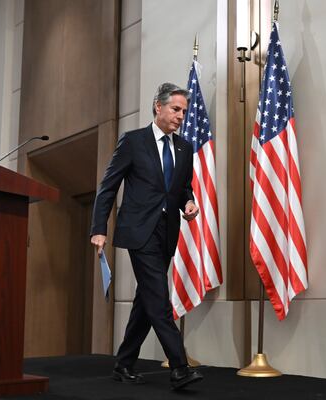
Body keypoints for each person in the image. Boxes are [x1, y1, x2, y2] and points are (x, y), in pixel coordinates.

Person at [90, 82, 203, 390]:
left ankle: (123, 363)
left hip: (167, 233)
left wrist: (189, 202)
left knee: (146, 300)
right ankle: (180, 367)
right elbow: (108, 187)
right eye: (175, 109)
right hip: (139, 231)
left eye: (184, 111)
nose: (181, 116)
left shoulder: (185, 147)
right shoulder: (133, 142)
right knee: (158, 297)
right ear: (158, 106)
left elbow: (182, 188)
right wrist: (99, 228)